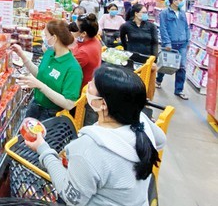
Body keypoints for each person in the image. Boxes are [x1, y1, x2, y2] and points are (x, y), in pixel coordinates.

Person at [25, 64, 166, 206]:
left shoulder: (90, 149)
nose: (88, 84)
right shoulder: (141, 121)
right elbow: (160, 140)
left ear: (102, 103)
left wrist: (43, 149)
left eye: (92, 84)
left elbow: (71, 197)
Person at [12, 20, 83, 120]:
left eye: (46, 35)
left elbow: (69, 104)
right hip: (36, 106)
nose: (44, 39)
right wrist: (22, 56)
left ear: (54, 38)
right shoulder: (49, 54)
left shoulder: (73, 69)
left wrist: (40, 86)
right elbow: (40, 74)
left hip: (52, 115)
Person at [156, 0, 190, 100]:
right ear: (174, 1)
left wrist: (187, 40)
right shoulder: (164, 13)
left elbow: (186, 27)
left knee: (182, 66)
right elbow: (163, 28)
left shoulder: (183, 13)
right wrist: (167, 42)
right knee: (167, 64)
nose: (181, 2)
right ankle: (159, 79)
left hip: (182, 43)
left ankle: (179, 90)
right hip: (170, 43)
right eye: (180, 0)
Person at [72, 14, 103, 125]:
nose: (72, 28)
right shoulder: (94, 40)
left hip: (80, 94)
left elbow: (67, 69)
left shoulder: (84, 52)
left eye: (75, 27)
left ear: (84, 33)